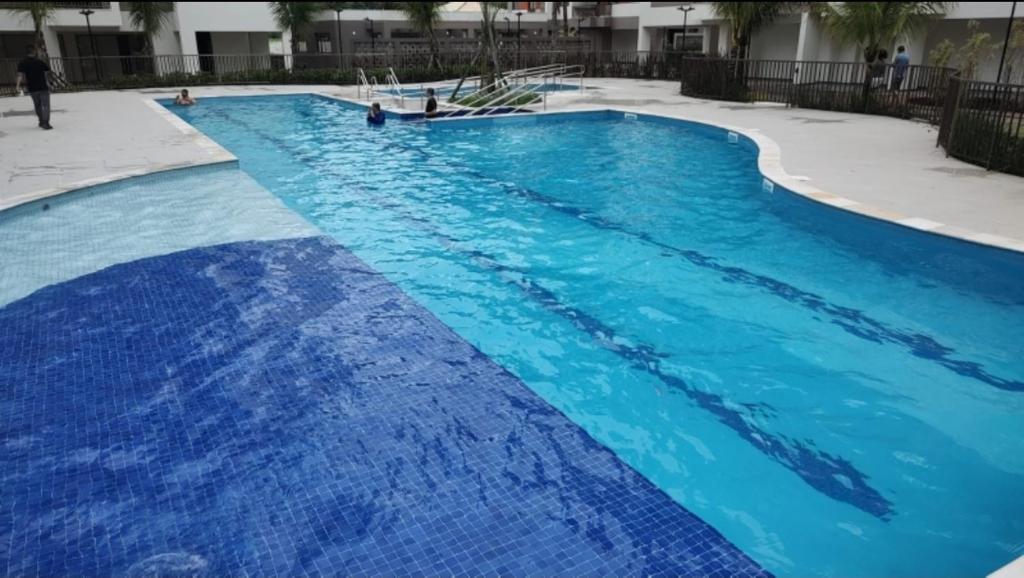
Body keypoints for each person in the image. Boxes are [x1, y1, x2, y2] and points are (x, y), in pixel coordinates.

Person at [15, 45, 53, 130]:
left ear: (27, 52)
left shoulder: (22, 62)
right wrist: (49, 83)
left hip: (32, 88)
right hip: (43, 87)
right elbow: (47, 72)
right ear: (34, 52)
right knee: (45, 105)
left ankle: (41, 121)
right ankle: (46, 123)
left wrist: (17, 86)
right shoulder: (40, 62)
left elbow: (20, 75)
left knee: (38, 105)